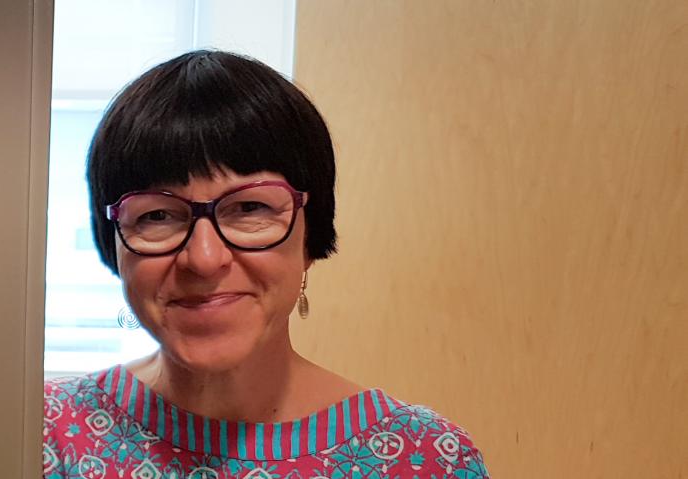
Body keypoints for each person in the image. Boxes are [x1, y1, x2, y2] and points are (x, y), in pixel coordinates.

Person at [42, 50, 489, 478]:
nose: (203, 258)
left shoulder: (426, 460)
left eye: (250, 208)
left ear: (311, 236)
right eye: (156, 215)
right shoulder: (42, 437)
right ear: (115, 247)